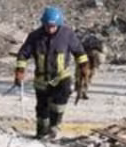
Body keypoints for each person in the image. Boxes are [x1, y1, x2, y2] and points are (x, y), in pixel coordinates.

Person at [14, 6, 90, 139]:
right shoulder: (35, 36)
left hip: (60, 77)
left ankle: (54, 127)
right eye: (47, 26)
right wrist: (20, 71)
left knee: (59, 102)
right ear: (43, 23)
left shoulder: (67, 35)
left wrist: (84, 67)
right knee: (42, 109)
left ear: (59, 24)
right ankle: (42, 132)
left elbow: (79, 52)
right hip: (42, 79)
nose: (50, 29)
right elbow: (23, 54)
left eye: (53, 26)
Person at [77, 33, 105, 101]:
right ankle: (83, 91)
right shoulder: (97, 42)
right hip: (90, 60)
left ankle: (81, 91)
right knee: (88, 76)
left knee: (82, 75)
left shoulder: (84, 40)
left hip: (84, 58)